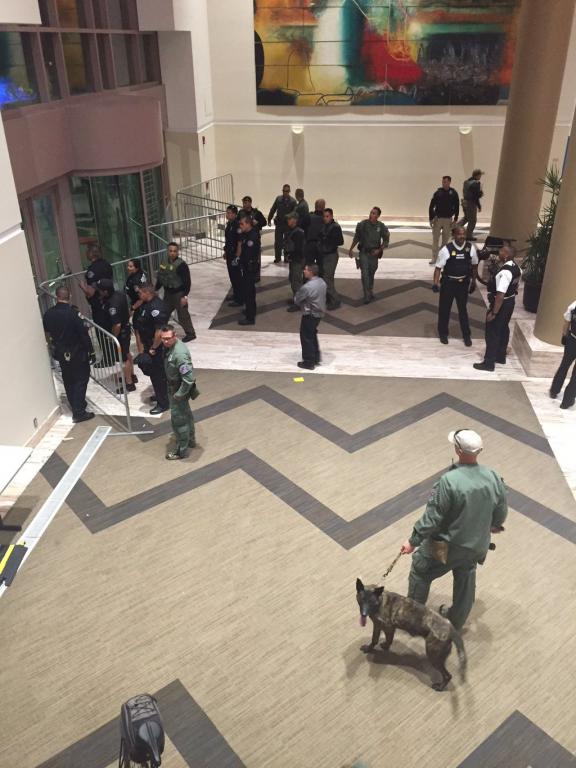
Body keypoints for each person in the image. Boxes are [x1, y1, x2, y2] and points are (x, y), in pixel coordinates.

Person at [400, 429, 507, 630]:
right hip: (477, 545)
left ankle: (413, 619)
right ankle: (455, 621)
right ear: (479, 451)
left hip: (448, 547)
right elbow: (501, 511)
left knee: (420, 570)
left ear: (457, 450)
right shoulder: (493, 476)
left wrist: (413, 541)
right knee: (466, 575)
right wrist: (493, 525)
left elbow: (432, 518)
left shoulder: (448, 482)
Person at [43, 286, 94, 423]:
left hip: (61, 352)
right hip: (77, 352)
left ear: (57, 297)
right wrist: (91, 351)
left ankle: (75, 404)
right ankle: (79, 412)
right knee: (81, 380)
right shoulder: (74, 314)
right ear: (69, 296)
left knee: (68, 379)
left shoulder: (48, 314)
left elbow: (47, 334)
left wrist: (53, 347)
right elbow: (83, 334)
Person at [473, 244, 521, 372]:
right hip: (510, 302)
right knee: (504, 329)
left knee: (493, 332)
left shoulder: (505, 272)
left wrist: (494, 312)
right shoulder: (516, 268)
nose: (498, 252)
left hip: (502, 304)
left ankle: (489, 363)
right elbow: (516, 286)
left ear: (506, 254)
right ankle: (500, 356)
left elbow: (500, 295)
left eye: (501, 251)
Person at [433, 225, 478, 346]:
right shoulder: (446, 249)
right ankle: (443, 334)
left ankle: (466, 336)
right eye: (459, 234)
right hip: (448, 284)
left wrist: (473, 281)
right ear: (454, 235)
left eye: (463, 234)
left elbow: (474, 265)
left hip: (463, 284)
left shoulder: (470, 248)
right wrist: (435, 283)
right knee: (444, 310)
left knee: (463, 310)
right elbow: (438, 268)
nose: (462, 236)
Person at [161, 325, 197, 460]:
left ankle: (180, 451)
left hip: (178, 390)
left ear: (174, 336)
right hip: (176, 387)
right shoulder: (172, 348)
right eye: (163, 339)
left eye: (168, 339)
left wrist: (179, 394)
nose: (165, 342)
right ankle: (191, 440)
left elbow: (188, 379)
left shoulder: (179, 355)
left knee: (178, 420)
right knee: (186, 414)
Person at [134, 283, 170, 414]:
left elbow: (159, 332)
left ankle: (163, 403)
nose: (138, 295)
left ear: (147, 293)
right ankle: (162, 395)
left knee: (158, 375)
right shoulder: (146, 304)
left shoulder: (157, 307)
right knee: (157, 375)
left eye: (140, 293)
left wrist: (153, 348)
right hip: (149, 344)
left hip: (157, 347)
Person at [97, 278, 136, 394]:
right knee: (127, 353)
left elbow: (117, 324)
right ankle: (132, 375)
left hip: (120, 334)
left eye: (100, 290)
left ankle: (129, 384)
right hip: (125, 329)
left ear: (105, 291)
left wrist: (112, 337)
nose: (98, 292)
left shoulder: (112, 303)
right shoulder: (119, 294)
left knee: (123, 359)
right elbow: (128, 311)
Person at [79, 244, 113, 366]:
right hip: (109, 301)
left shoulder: (92, 270)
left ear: (91, 255)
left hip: (98, 304)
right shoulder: (107, 264)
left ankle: (108, 359)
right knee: (110, 329)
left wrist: (83, 287)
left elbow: (91, 291)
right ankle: (114, 355)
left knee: (101, 332)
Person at [155, 242, 196, 342]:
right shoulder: (164, 263)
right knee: (164, 313)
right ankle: (163, 332)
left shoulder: (182, 265)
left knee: (183, 315)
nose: (172, 253)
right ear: (167, 251)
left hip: (179, 294)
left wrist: (184, 296)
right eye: (170, 251)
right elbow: (161, 278)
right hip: (168, 294)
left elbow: (187, 282)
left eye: (174, 251)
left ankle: (190, 334)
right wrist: (155, 289)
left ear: (177, 252)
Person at [348, 206, 390, 304]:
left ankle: (370, 291)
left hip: (374, 254)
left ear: (378, 216)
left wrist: (379, 250)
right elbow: (357, 237)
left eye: (374, 213)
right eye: (371, 212)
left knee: (371, 273)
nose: (371, 215)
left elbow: (386, 240)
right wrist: (350, 249)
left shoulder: (381, 226)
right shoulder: (362, 225)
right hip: (364, 253)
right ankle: (367, 294)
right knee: (365, 274)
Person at [294, 264, 327, 370]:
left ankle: (308, 362)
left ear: (311, 272)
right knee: (312, 334)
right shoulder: (322, 282)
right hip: (319, 314)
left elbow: (297, 300)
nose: (304, 271)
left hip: (310, 314)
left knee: (306, 337)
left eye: (306, 270)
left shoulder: (307, 287)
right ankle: (316, 357)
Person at [549, 298, 576, 409]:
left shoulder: (575, 304)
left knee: (564, 365)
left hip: (572, 339)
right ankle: (567, 401)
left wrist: (564, 336)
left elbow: (567, 321)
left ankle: (554, 390)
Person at [428, 175, 460, 265]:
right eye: (443, 182)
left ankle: (442, 257)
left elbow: (457, 206)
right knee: (435, 240)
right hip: (438, 219)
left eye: (445, 182)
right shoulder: (438, 192)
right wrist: (431, 218)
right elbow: (431, 206)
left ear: (449, 182)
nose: (443, 183)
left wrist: (456, 218)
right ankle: (434, 258)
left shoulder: (453, 193)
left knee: (445, 240)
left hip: (448, 219)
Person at [237, 213, 261, 325]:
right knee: (248, 291)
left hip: (249, 268)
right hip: (246, 267)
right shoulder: (247, 234)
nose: (240, 226)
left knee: (249, 292)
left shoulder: (252, 236)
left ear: (248, 224)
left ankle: (250, 318)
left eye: (242, 224)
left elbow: (248, 255)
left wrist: (241, 261)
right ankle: (250, 310)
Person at [318, 208, 344, 310]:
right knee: (328, 277)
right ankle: (330, 298)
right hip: (324, 254)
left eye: (327, 216)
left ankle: (335, 299)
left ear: (332, 216)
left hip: (331, 255)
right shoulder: (324, 226)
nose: (325, 218)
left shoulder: (335, 227)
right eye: (324, 216)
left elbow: (340, 241)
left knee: (327, 279)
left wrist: (328, 240)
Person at [267, 183, 296, 263]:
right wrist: (269, 219)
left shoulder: (293, 201)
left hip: (288, 225)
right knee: (278, 242)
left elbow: (295, 213)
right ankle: (278, 258)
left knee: (287, 242)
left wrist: (293, 224)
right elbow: (273, 209)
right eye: (284, 191)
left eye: (287, 191)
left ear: (289, 191)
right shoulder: (278, 199)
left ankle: (287, 258)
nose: (285, 192)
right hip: (279, 224)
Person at [283, 212, 306, 312]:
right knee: (292, 279)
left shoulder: (298, 233)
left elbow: (298, 249)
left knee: (296, 281)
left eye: (289, 219)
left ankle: (298, 303)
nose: (288, 221)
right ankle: (296, 299)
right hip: (294, 260)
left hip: (297, 260)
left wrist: (290, 256)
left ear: (295, 220)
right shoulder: (292, 231)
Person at [124, 259, 147, 353]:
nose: (128, 268)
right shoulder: (139, 274)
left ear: (136, 267)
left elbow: (142, 298)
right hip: (139, 305)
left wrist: (133, 308)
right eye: (128, 266)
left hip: (140, 307)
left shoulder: (136, 281)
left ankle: (141, 353)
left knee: (138, 331)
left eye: (130, 266)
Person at [224, 205, 243, 307]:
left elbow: (240, 242)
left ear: (235, 214)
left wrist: (237, 256)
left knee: (236, 277)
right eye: (227, 212)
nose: (227, 214)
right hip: (229, 253)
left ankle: (240, 299)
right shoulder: (229, 224)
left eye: (230, 213)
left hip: (235, 254)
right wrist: (226, 252)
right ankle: (236, 295)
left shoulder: (237, 225)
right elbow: (228, 240)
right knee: (232, 276)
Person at [458, 169, 484, 240]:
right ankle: (468, 236)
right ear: (477, 175)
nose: (481, 176)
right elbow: (476, 196)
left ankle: (455, 229)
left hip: (464, 202)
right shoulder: (476, 183)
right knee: (472, 220)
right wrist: (479, 204)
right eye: (480, 175)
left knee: (466, 218)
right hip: (471, 203)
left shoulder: (466, 182)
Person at [304, 198, 325, 265]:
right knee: (322, 269)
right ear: (323, 207)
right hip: (322, 245)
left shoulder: (308, 216)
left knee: (308, 268)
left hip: (310, 244)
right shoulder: (326, 219)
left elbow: (303, 229)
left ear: (315, 206)